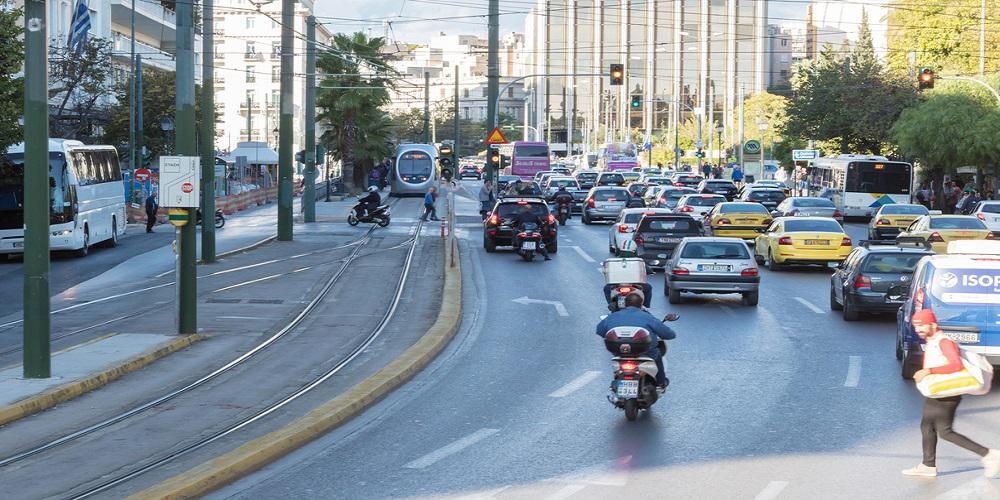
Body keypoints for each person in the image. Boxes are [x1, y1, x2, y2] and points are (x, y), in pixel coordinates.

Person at [902, 309, 1000, 478]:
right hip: (938, 391)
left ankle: (990, 455)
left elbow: (956, 365)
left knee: (945, 431)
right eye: (916, 326)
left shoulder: (944, 342)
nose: (918, 330)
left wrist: (928, 371)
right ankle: (928, 465)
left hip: (948, 393)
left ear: (932, 324)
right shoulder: (933, 341)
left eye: (921, 326)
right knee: (927, 427)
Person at [595, 291, 676, 389]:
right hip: (646, 353)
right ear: (641, 305)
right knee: (658, 355)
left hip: (619, 352)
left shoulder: (612, 317)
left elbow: (599, 330)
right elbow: (668, 334)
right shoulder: (648, 317)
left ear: (625, 304)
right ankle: (660, 383)